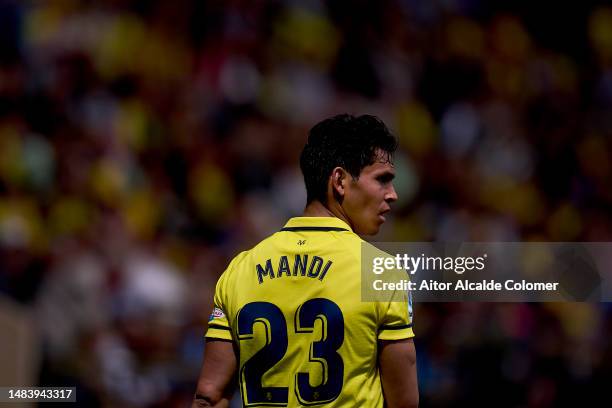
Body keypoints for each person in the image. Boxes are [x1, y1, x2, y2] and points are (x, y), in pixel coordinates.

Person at [192, 114, 418, 408]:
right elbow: (404, 403)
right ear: (339, 181)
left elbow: (209, 396)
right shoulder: (380, 273)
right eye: (382, 179)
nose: (393, 195)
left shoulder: (240, 268)